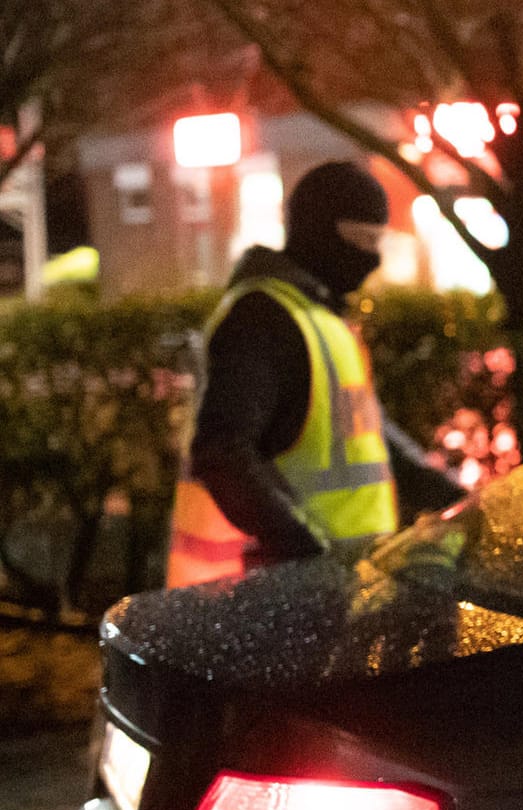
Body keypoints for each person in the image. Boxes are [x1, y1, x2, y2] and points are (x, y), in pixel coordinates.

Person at [167, 161, 463, 587]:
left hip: (341, 592)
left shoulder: (323, 319)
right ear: (321, 232)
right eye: (361, 240)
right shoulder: (263, 317)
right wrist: (307, 553)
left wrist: (463, 501)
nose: (372, 257)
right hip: (281, 601)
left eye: (378, 240)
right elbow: (221, 451)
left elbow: (375, 440)